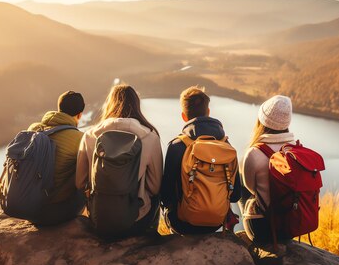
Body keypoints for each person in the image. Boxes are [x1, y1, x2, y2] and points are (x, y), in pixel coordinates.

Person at [76, 84, 163, 236]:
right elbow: (155, 187)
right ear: (136, 105)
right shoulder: (150, 137)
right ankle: (150, 237)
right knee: (156, 197)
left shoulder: (89, 135)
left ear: (109, 104)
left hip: (99, 218)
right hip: (137, 220)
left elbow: (79, 182)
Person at [160, 86, 242, 235]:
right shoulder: (226, 146)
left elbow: (166, 196)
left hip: (182, 224)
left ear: (184, 116)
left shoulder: (177, 146)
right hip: (216, 222)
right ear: (208, 112)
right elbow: (236, 195)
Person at [240, 95, 295, 243]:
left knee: (240, 182)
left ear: (262, 121)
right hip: (291, 227)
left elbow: (250, 188)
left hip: (263, 231)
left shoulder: (254, 153)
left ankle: (231, 227)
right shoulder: (296, 150)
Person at [27, 90, 87, 225]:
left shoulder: (34, 129)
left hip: (28, 209)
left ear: (59, 109)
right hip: (56, 214)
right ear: (79, 114)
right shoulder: (80, 138)